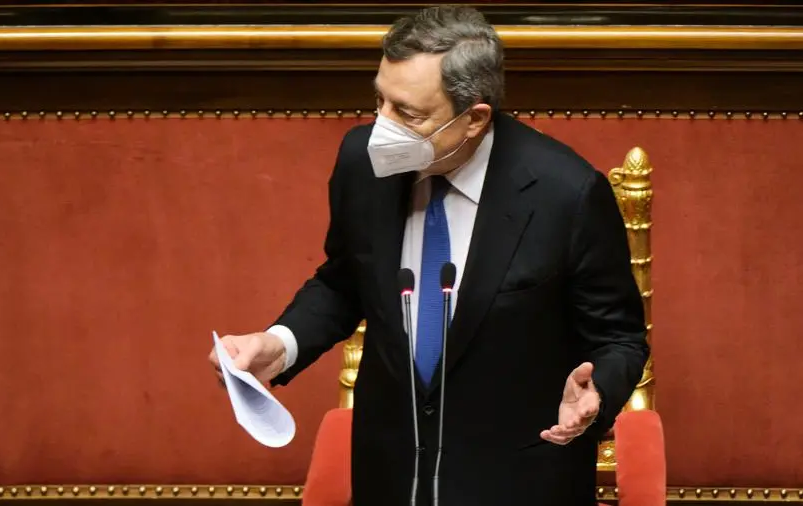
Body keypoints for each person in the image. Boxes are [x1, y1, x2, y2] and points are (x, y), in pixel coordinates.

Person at [209, 5, 649, 505]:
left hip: (517, 481)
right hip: (390, 476)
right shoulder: (362, 162)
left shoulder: (566, 194)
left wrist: (598, 392)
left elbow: (620, 338)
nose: (382, 126)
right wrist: (279, 344)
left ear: (474, 119)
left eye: (408, 114)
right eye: (379, 100)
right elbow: (345, 280)